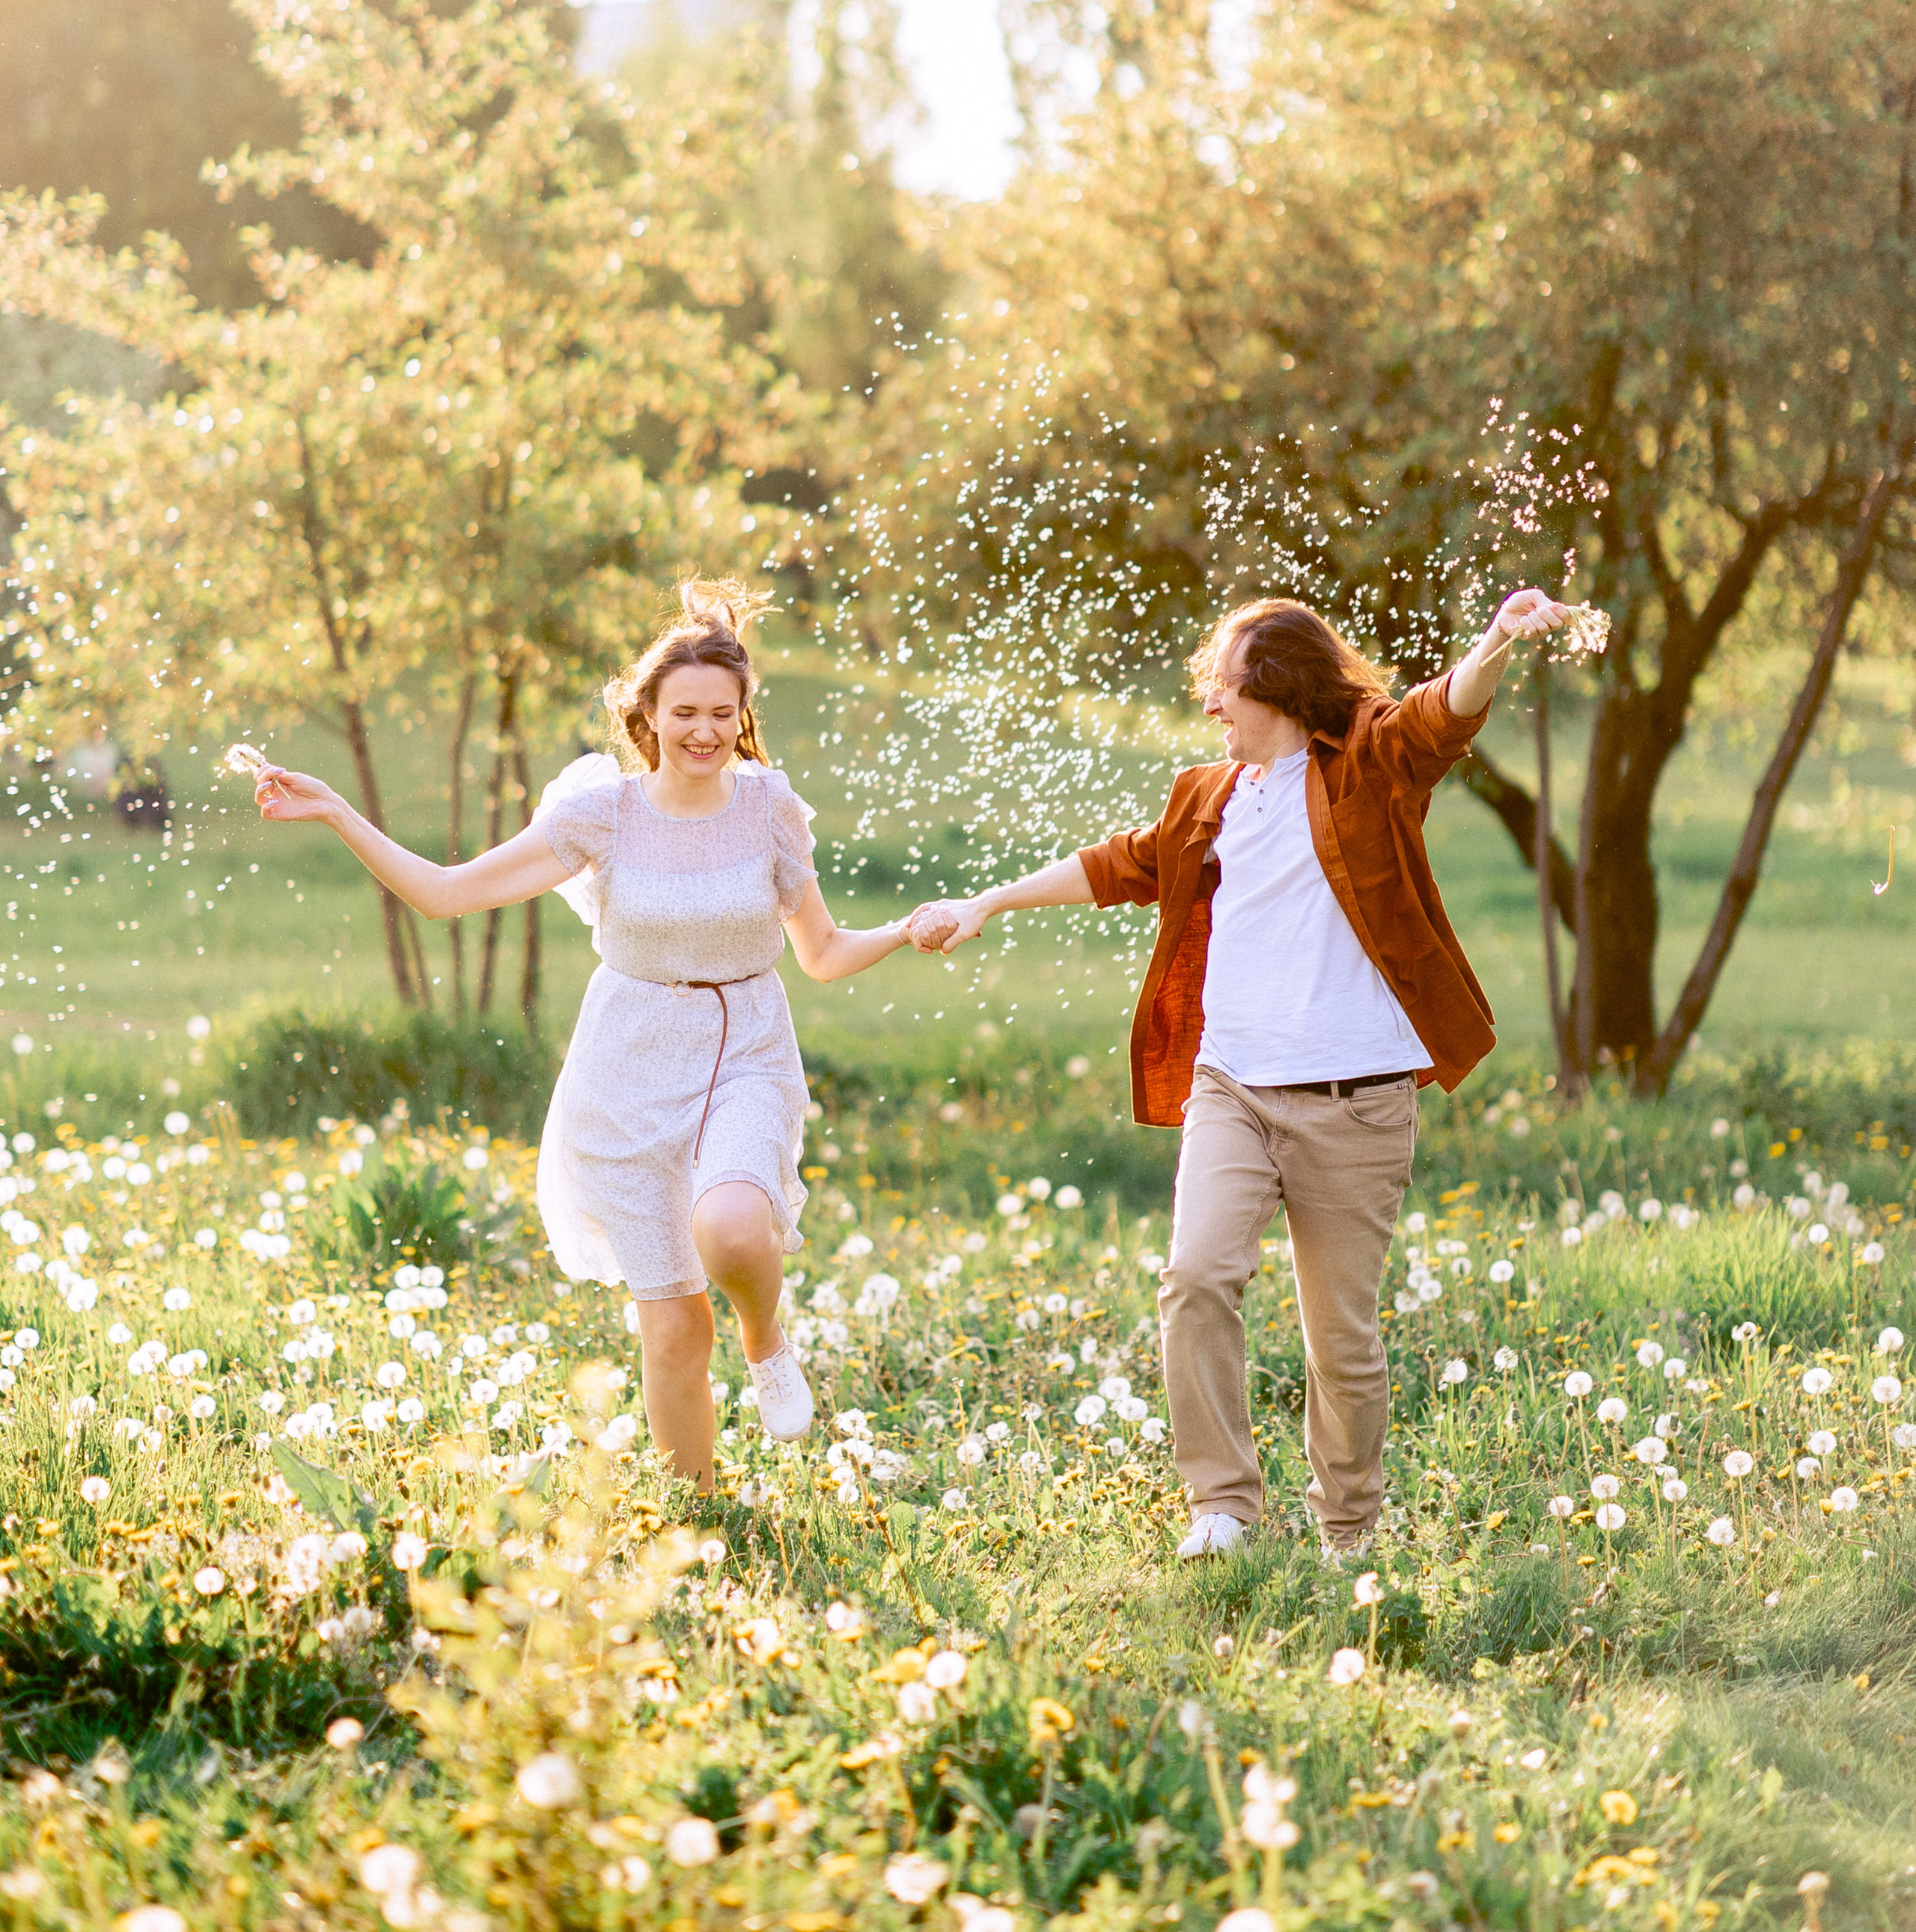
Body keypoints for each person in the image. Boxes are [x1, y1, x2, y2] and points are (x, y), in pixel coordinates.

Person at [908, 587, 1572, 1562]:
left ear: (1284, 694)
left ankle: (1347, 1533)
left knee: (1338, 1337)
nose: (1211, 707)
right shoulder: (1208, 798)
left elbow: (1444, 713)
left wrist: (1497, 641)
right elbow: (1118, 864)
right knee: (1194, 1277)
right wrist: (988, 903)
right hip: (1235, 1087)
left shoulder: (1371, 770)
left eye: (1225, 689)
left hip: (1356, 1100)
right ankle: (1220, 1505)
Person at [248, 579, 924, 1485]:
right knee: (674, 1322)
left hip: (744, 1050)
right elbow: (445, 894)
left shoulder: (768, 808)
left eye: (723, 713)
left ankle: (766, 1341)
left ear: (742, 716)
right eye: (684, 711)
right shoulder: (602, 814)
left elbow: (825, 952)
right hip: (625, 1070)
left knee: (731, 1226)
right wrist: (337, 811)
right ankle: (702, 1512)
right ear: (646, 712)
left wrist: (907, 929)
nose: (704, 731)